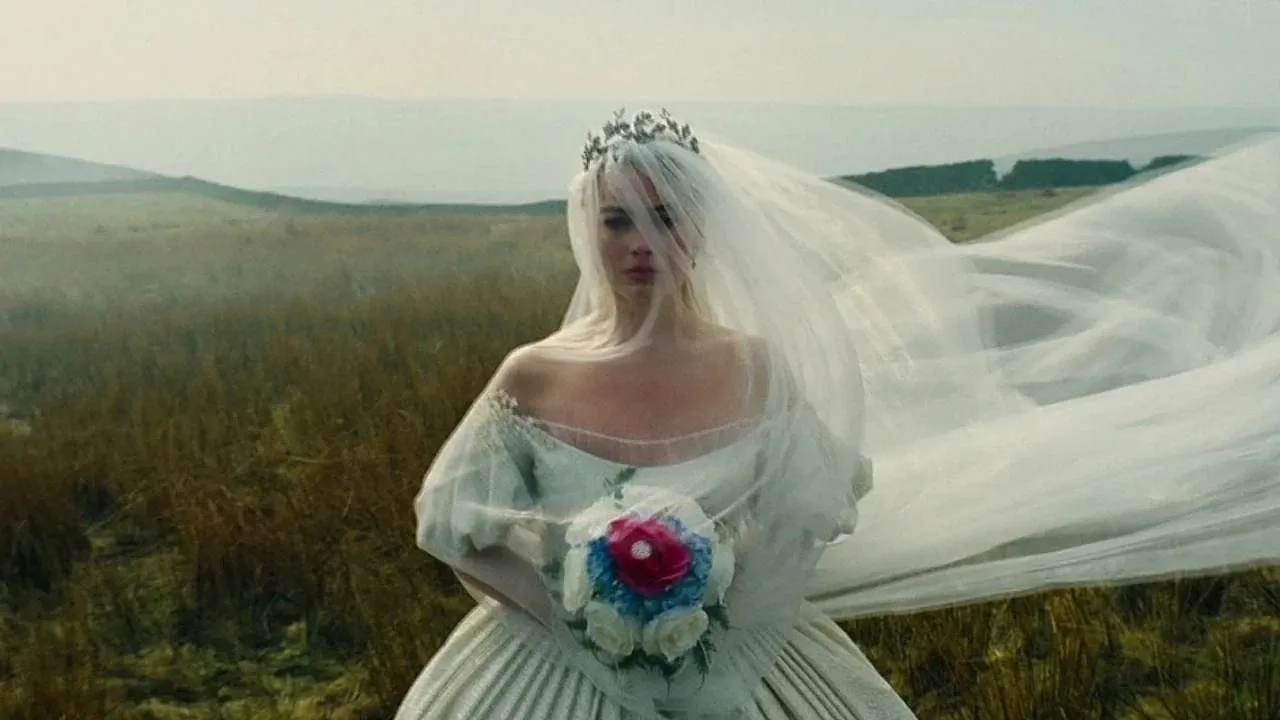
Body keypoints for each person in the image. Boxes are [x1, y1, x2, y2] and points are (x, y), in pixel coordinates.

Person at [397, 109, 1280, 718]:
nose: (639, 244)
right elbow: (454, 525)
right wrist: (576, 625)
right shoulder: (535, 375)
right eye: (618, 220)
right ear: (587, 229)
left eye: (664, 218)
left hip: (741, 660)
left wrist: (726, 652)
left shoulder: (756, 368)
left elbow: (801, 522)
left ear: (702, 227)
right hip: (553, 674)